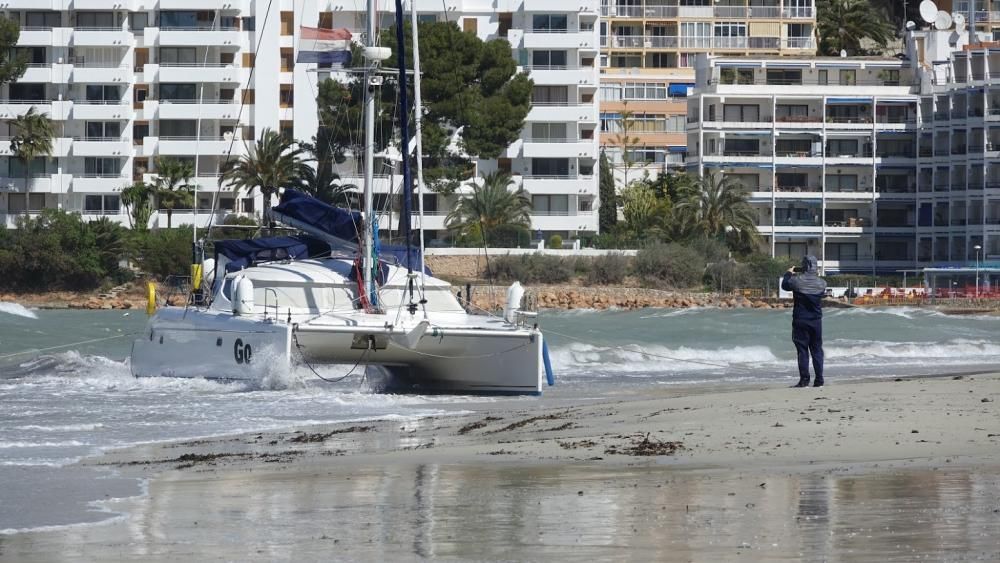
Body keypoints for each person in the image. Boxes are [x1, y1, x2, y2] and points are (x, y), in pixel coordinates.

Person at [782, 255, 827, 388]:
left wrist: (788, 273)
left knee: (802, 350)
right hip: (816, 321)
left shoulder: (796, 281)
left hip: (800, 320)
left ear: (804, 266)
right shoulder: (822, 283)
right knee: (817, 349)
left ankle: (804, 380)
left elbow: (785, 285)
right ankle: (819, 380)